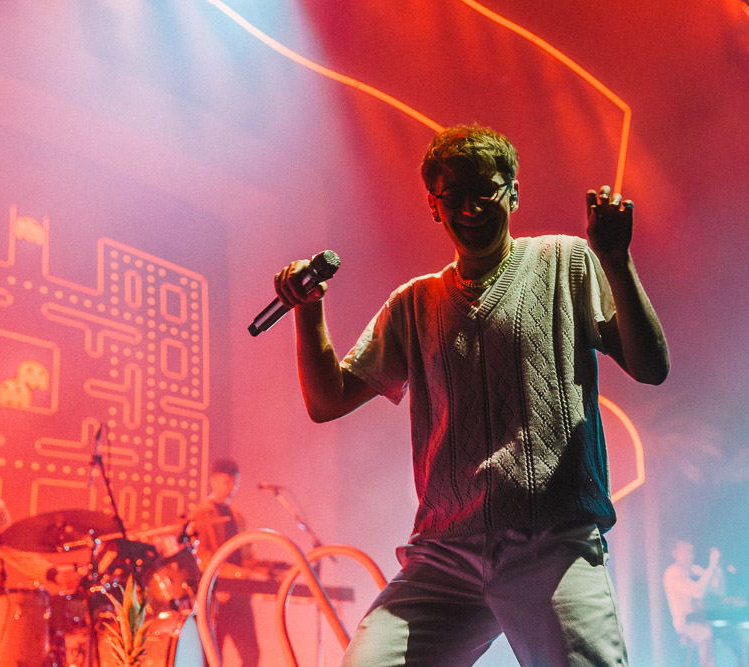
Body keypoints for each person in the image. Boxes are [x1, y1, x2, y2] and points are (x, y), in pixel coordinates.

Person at [273, 124, 670, 666]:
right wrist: (309, 310)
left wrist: (617, 260)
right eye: (452, 196)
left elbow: (651, 367)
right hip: (444, 554)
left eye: (484, 190)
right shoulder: (414, 303)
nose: (469, 206)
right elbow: (328, 401)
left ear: (512, 190)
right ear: (434, 207)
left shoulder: (566, 261)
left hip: (550, 543)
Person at [189, 458, 261, 664]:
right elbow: (202, 557)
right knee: (212, 655)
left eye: (235, 482)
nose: (231, 486)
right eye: (226, 481)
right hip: (216, 595)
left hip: (240, 597)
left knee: (252, 654)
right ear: (213, 480)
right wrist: (238, 574)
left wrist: (263, 571)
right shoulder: (201, 513)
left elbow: (247, 555)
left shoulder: (238, 516)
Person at [662, 540, 727, 667]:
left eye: (691, 551)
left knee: (732, 636)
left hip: (702, 620)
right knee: (705, 633)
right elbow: (698, 592)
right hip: (685, 624)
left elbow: (719, 590)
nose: (690, 555)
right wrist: (712, 566)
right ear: (675, 554)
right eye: (686, 551)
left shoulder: (695, 570)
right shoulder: (673, 573)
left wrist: (717, 568)